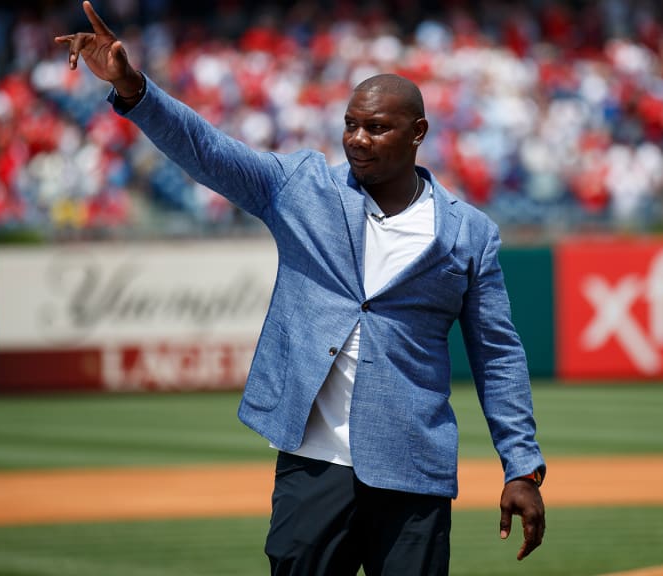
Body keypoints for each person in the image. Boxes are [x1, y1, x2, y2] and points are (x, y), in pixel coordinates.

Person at [56, 2, 546, 574]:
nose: (357, 139)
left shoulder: (468, 233)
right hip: (312, 465)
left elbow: (497, 355)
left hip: (413, 466)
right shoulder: (301, 186)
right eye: (350, 124)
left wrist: (521, 466)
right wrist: (133, 88)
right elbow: (208, 151)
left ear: (418, 133)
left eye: (377, 128)